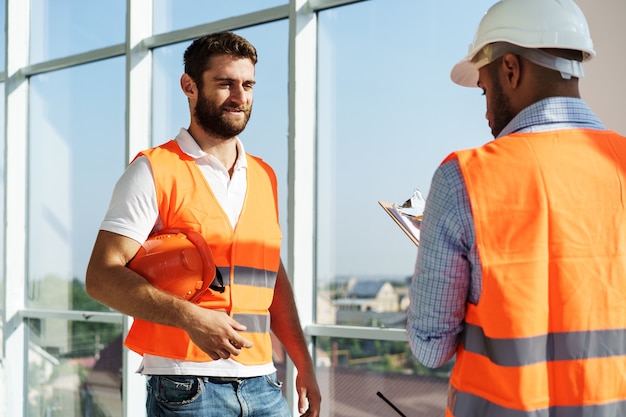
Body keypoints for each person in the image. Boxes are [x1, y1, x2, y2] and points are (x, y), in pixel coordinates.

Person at [406, 0, 626, 416]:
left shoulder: (463, 178)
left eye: (485, 91)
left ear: (511, 69)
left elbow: (430, 347)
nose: (487, 112)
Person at [86, 31, 321, 417]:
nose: (239, 96)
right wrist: (191, 318)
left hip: (263, 384)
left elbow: (269, 277)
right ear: (189, 87)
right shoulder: (153, 170)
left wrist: (304, 363)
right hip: (186, 387)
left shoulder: (264, 176)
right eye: (225, 83)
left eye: (247, 85)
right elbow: (101, 277)